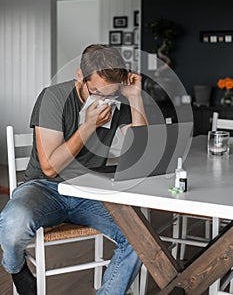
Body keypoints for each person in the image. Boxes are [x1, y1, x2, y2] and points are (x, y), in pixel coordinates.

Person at [0, 44, 148, 295]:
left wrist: (134, 97)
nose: (104, 101)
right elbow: (49, 167)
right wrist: (88, 126)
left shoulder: (118, 100)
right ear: (81, 76)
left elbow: (141, 153)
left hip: (90, 189)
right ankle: (15, 267)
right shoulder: (53, 98)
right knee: (13, 223)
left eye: (111, 95)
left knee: (141, 239)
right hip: (44, 188)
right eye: (97, 92)